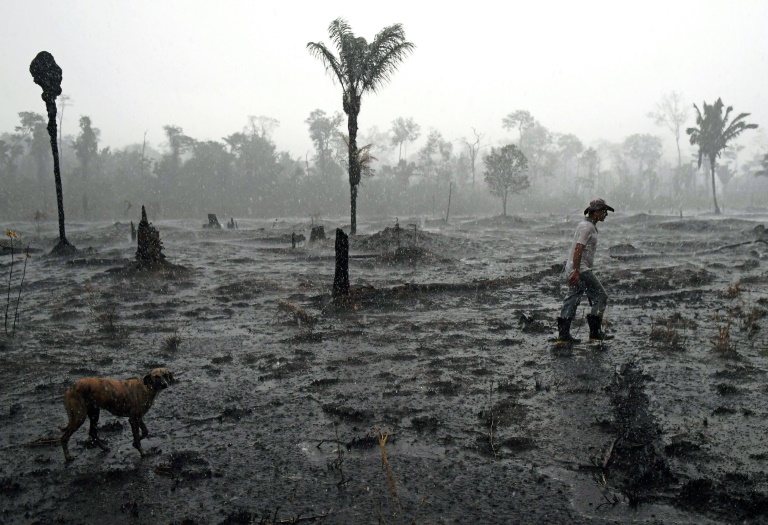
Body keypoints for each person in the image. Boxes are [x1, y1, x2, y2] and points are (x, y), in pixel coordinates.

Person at [556, 198, 615, 344]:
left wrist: (574, 269)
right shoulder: (587, 227)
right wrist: (576, 271)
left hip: (576, 267)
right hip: (581, 269)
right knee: (601, 296)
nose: (606, 214)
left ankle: (563, 336)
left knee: (573, 298)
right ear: (595, 212)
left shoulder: (587, 225)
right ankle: (595, 333)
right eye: (603, 211)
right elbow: (578, 248)